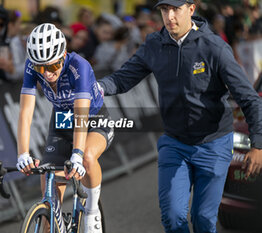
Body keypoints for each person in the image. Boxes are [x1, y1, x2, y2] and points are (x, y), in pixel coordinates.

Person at [97, 0, 262, 232]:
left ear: (191, 9)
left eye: (176, 9)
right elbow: (123, 77)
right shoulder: (155, 44)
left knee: (204, 220)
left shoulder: (214, 47)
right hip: (175, 143)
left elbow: (249, 97)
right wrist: (96, 88)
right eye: (165, 10)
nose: (170, 16)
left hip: (214, 144)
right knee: (173, 219)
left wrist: (258, 144)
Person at [16, 23, 113, 233]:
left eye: (52, 66)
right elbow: (25, 113)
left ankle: (92, 210)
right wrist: (22, 154)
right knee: (49, 183)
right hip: (62, 120)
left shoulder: (79, 66)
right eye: (41, 68)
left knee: (86, 157)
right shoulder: (32, 66)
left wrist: (76, 154)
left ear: (63, 55)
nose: (47, 73)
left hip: (93, 118)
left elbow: (81, 115)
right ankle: (53, 221)